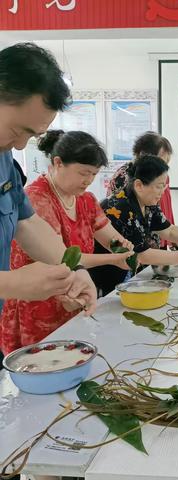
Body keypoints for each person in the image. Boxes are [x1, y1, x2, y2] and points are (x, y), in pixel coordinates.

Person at [0, 130, 134, 354]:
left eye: (93, 174)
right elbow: (68, 258)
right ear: (58, 163)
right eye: (83, 172)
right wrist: (113, 258)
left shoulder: (86, 200)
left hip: (71, 295)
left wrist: (123, 247)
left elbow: (110, 237)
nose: (89, 180)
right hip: (36, 304)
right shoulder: (37, 198)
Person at [0, 43, 96, 314]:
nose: (20, 146)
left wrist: (73, 269)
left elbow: (25, 221)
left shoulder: (3, 155)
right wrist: (8, 283)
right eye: (17, 130)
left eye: (31, 136)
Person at [92, 155, 178, 295]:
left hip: (127, 274)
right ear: (139, 185)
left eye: (164, 186)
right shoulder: (119, 208)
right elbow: (142, 255)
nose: (163, 191)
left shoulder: (147, 202)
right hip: (106, 280)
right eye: (159, 186)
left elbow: (169, 230)